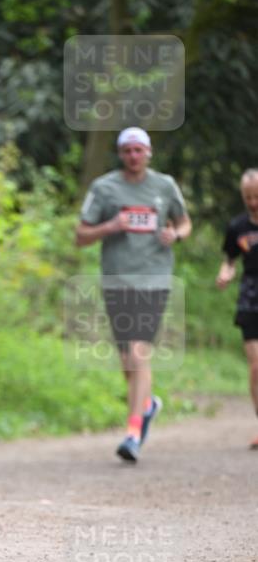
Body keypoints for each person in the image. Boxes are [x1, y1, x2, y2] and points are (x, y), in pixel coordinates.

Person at [76, 127, 191, 463]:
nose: (133, 156)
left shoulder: (165, 186)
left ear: (149, 152)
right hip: (116, 282)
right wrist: (109, 227)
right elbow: (81, 235)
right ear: (120, 153)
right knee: (129, 362)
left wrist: (176, 234)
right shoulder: (104, 188)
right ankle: (148, 404)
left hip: (154, 281)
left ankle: (133, 431)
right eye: (127, 151)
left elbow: (185, 223)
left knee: (140, 353)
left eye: (139, 150)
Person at [215, 168, 258, 449]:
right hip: (251, 297)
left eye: (257, 196)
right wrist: (225, 273)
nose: (253, 202)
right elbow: (229, 260)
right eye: (248, 197)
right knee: (257, 367)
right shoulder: (237, 227)